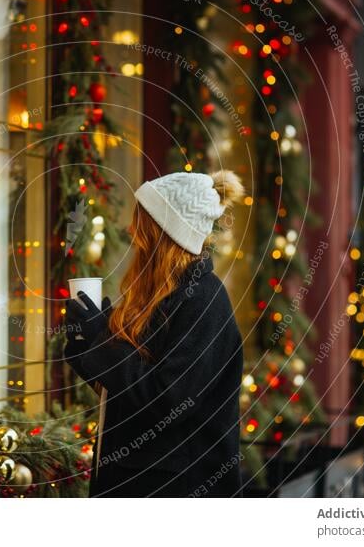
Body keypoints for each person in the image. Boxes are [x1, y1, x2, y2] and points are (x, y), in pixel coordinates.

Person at [65, 170, 245, 497]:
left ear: (164, 234)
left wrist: (103, 341)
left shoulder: (204, 300)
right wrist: (87, 340)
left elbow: (167, 400)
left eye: (141, 223)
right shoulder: (160, 296)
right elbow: (127, 390)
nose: (132, 231)